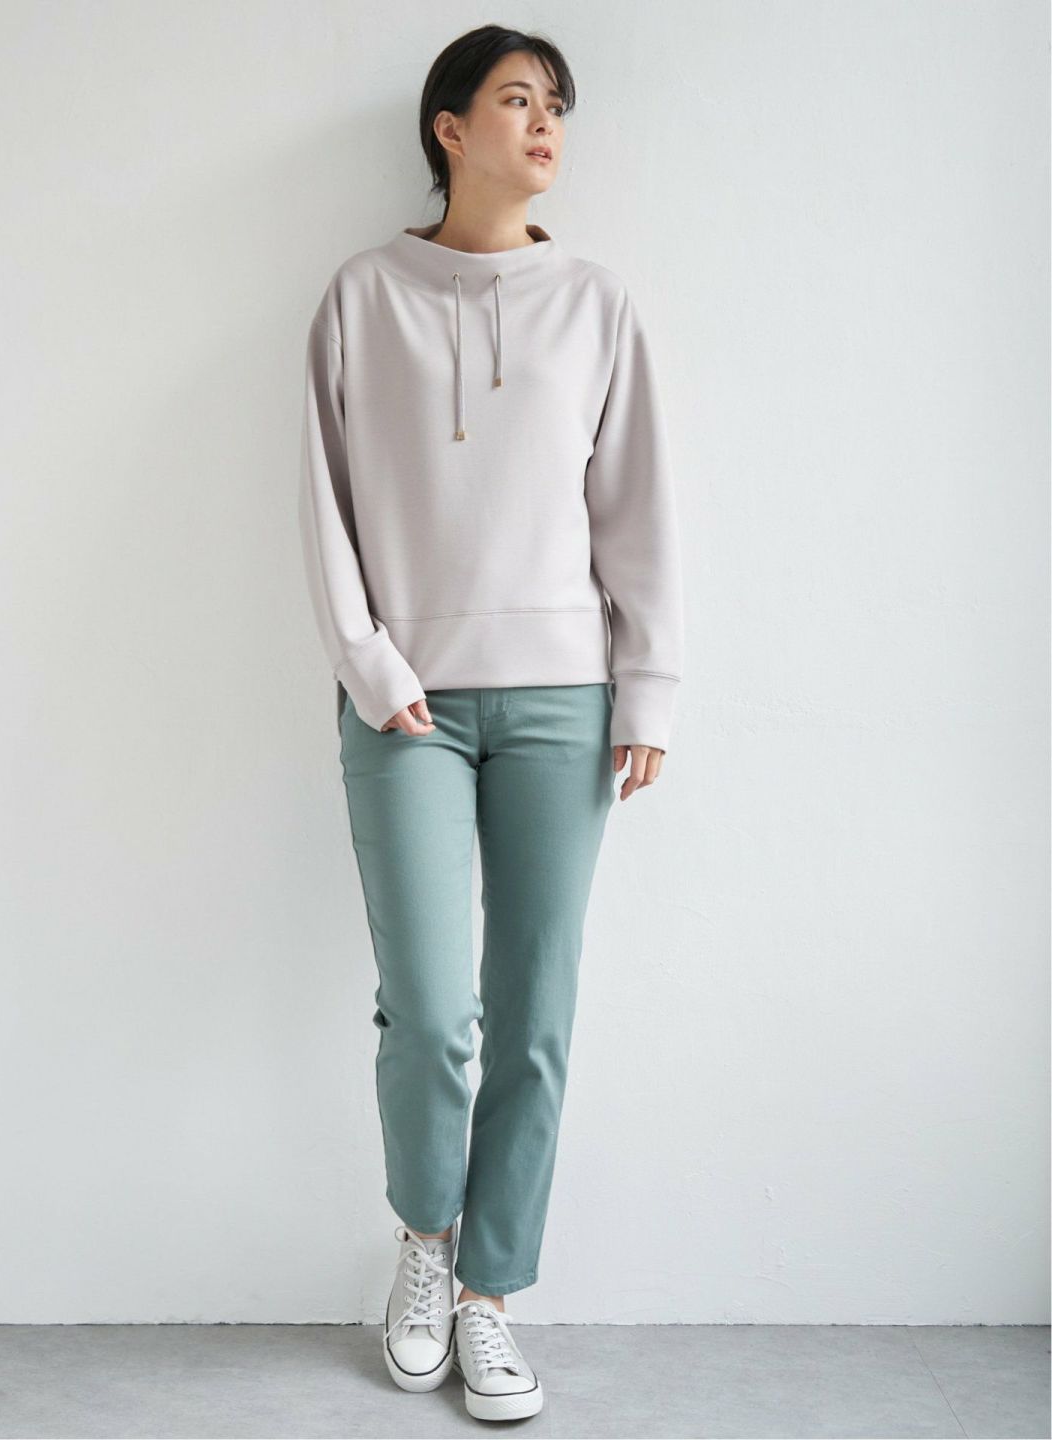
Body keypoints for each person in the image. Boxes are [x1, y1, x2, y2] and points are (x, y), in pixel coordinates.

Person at [296, 23, 684, 1424]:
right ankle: (425, 1237)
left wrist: (648, 685)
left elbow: (637, 509)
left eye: (558, 104)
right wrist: (367, 660)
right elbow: (323, 495)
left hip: (563, 701)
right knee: (430, 1011)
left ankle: (490, 1294)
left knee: (534, 1011)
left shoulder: (597, 304)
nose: (546, 123)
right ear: (448, 128)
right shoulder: (363, 296)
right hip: (403, 699)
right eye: (517, 99)